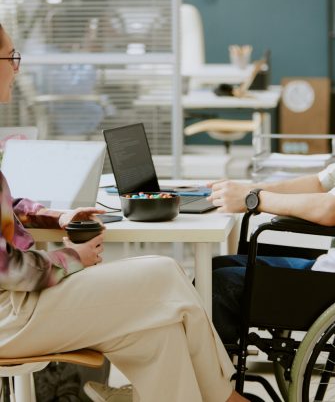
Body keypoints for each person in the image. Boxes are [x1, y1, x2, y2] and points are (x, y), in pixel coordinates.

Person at [0, 22, 248, 402]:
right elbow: (8, 268)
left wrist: (55, 218)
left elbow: (8, 208)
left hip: (16, 305)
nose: (18, 68)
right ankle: (226, 399)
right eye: (11, 57)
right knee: (165, 273)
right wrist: (72, 258)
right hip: (10, 314)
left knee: (159, 334)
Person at [208, 168, 335, 344]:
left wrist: (254, 199)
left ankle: (212, 370)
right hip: (324, 267)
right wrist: (248, 190)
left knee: (217, 284)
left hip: (329, 285)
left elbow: (330, 208)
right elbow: (320, 183)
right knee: (215, 266)